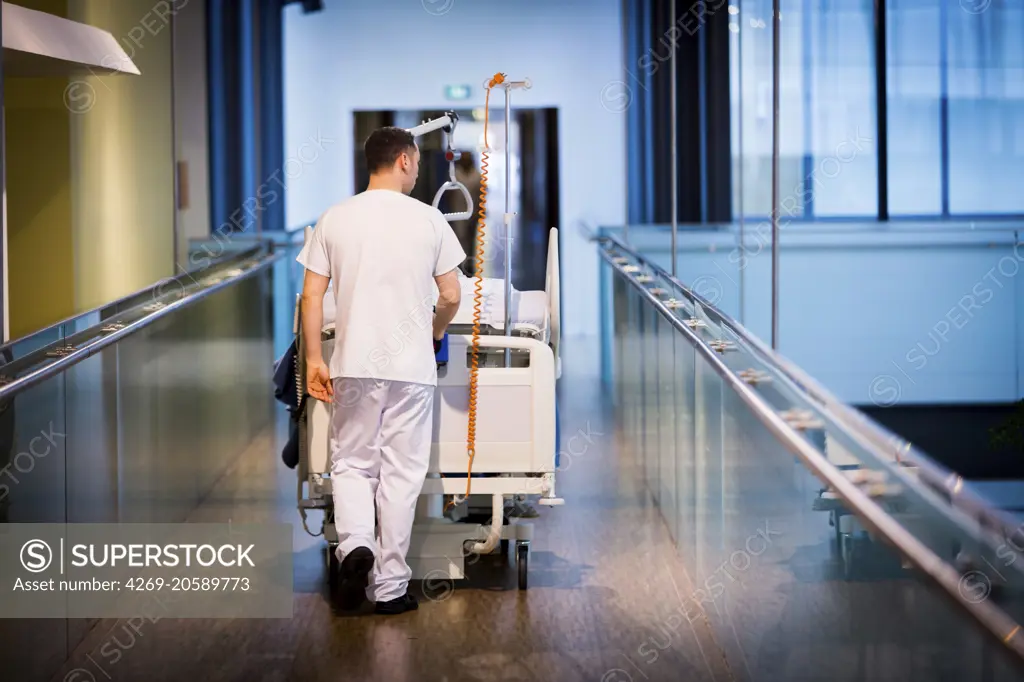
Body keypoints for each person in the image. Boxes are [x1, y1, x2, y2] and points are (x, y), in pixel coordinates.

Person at [298, 126, 466, 615]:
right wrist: (434, 331)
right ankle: (390, 588)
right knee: (401, 473)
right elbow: (452, 295)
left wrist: (313, 359)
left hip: (351, 365)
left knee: (351, 462)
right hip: (411, 367)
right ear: (406, 161)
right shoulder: (429, 220)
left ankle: (354, 546)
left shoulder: (334, 218)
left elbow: (311, 295)